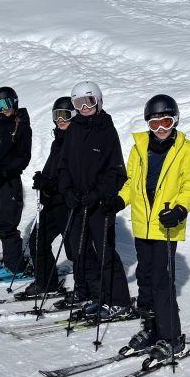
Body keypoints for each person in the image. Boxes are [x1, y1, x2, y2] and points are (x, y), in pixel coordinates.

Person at [109, 94, 190, 366]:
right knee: (145, 278)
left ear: (175, 120)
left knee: (162, 281)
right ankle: (151, 330)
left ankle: (172, 337)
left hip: (166, 226)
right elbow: (131, 183)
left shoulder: (186, 149)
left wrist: (180, 210)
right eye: (154, 123)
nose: (161, 128)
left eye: (166, 122)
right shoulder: (139, 148)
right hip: (142, 225)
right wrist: (119, 200)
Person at [57, 81, 131, 319]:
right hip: (77, 202)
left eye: (88, 102)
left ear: (98, 101)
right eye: (78, 103)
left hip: (99, 204)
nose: (84, 107)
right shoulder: (74, 130)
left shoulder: (107, 130)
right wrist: (67, 191)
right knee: (79, 251)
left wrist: (98, 194)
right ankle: (95, 294)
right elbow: (63, 165)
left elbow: (116, 172)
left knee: (105, 253)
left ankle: (118, 300)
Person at [24, 97, 76, 298]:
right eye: (57, 115)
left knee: (75, 250)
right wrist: (43, 180)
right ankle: (46, 282)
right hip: (54, 202)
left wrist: (52, 183)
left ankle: (90, 289)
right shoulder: (58, 141)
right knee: (38, 240)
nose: (61, 120)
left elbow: (74, 174)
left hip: (69, 203)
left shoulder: (77, 141)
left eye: (66, 115)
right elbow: (54, 170)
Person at [0, 87, 32, 274]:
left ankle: (14, 265)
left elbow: (23, 158)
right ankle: (9, 259)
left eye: (5, 104)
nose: (2, 109)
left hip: (9, 182)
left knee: (8, 222)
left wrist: (3, 170)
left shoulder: (22, 126)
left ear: (14, 102)